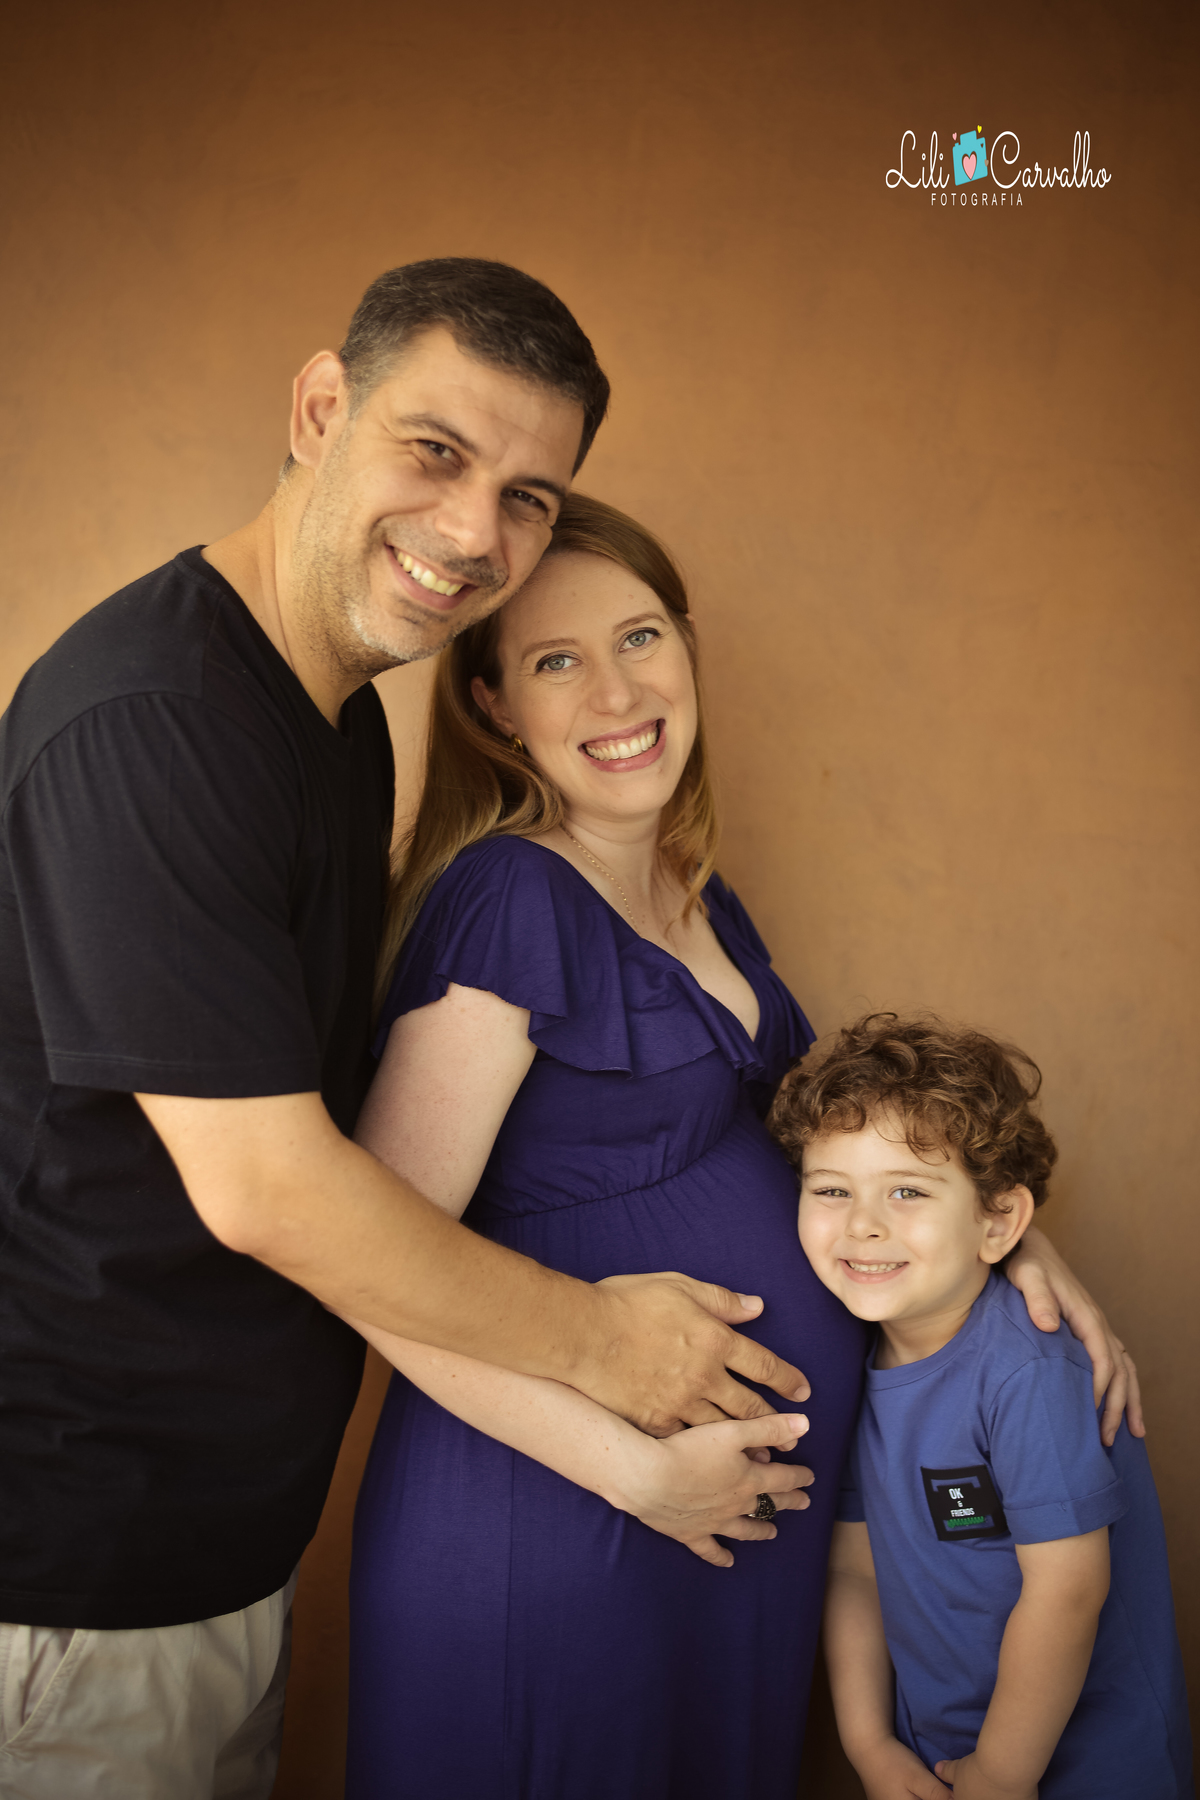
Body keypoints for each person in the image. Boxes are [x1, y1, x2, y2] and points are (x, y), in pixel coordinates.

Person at [0, 259, 825, 1799]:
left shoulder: (322, 725)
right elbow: (269, 1188)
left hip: (211, 1538)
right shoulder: (151, 720)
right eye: (434, 453)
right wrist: (610, 1359)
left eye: (527, 493)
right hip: (78, 1551)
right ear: (322, 409)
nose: (473, 534)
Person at [344, 496, 1141, 1800]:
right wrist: (636, 1472)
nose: (618, 689)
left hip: (717, 1541)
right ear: (494, 707)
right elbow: (365, 1252)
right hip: (562, 1510)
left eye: (642, 636)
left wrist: (1018, 1243)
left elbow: (840, 1130)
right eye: (556, 660)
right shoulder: (510, 894)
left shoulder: (701, 898)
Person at [770, 1013, 1191, 1800]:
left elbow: (1067, 1588)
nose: (864, 1223)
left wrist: (1002, 1773)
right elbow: (854, 1570)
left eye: (907, 1191)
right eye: (832, 1190)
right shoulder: (851, 1364)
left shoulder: (1025, 1370)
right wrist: (868, 1743)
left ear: (998, 1223)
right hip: (936, 1757)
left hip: (1085, 1768)